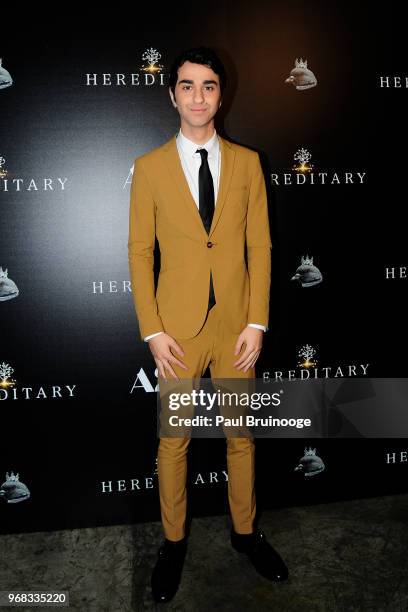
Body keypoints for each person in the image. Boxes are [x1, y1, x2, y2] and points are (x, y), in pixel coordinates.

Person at [128, 46, 288, 603]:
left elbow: (261, 247)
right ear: (173, 93)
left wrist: (257, 321)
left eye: (209, 86)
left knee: (240, 437)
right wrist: (153, 330)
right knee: (174, 442)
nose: (199, 96)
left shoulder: (248, 163)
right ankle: (173, 545)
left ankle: (246, 535)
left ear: (222, 94)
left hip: (236, 331)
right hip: (176, 334)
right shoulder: (148, 168)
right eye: (189, 85)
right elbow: (138, 252)